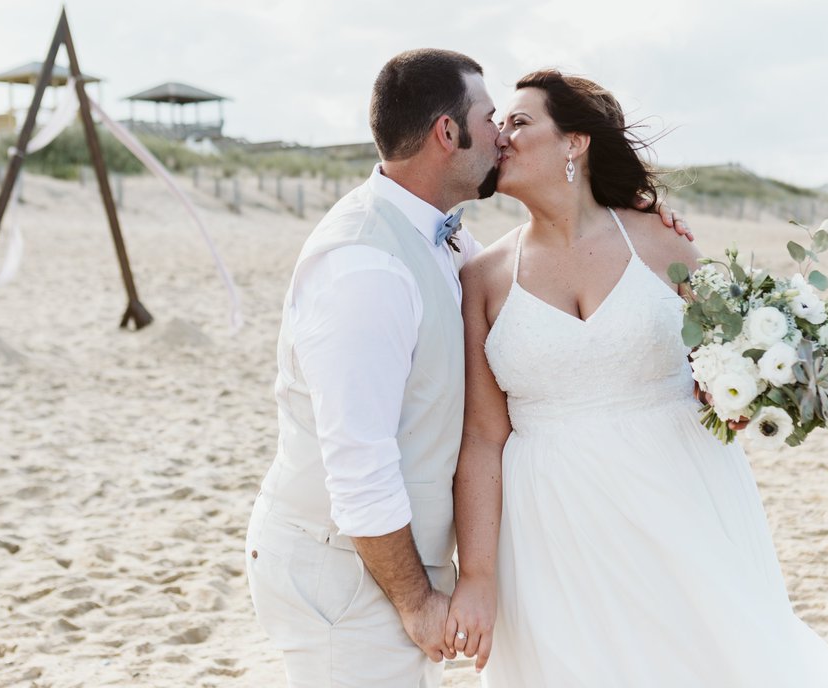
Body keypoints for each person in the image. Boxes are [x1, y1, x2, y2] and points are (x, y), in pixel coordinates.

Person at [245, 50, 691, 687]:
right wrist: (416, 601)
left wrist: (645, 219)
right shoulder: (364, 268)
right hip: (342, 569)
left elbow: (535, 290)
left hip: (380, 562)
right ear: (446, 134)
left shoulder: (444, 238)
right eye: (490, 119)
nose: (500, 135)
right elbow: (357, 465)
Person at [447, 70, 828, 686]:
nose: (502, 136)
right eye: (499, 123)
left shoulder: (660, 240)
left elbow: (736, 354)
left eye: (520, 121)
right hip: (549, 523)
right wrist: (477, 575)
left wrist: (741, 394)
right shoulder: (482, 279)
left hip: (678, 494)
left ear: (575, 142)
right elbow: (483, 438)